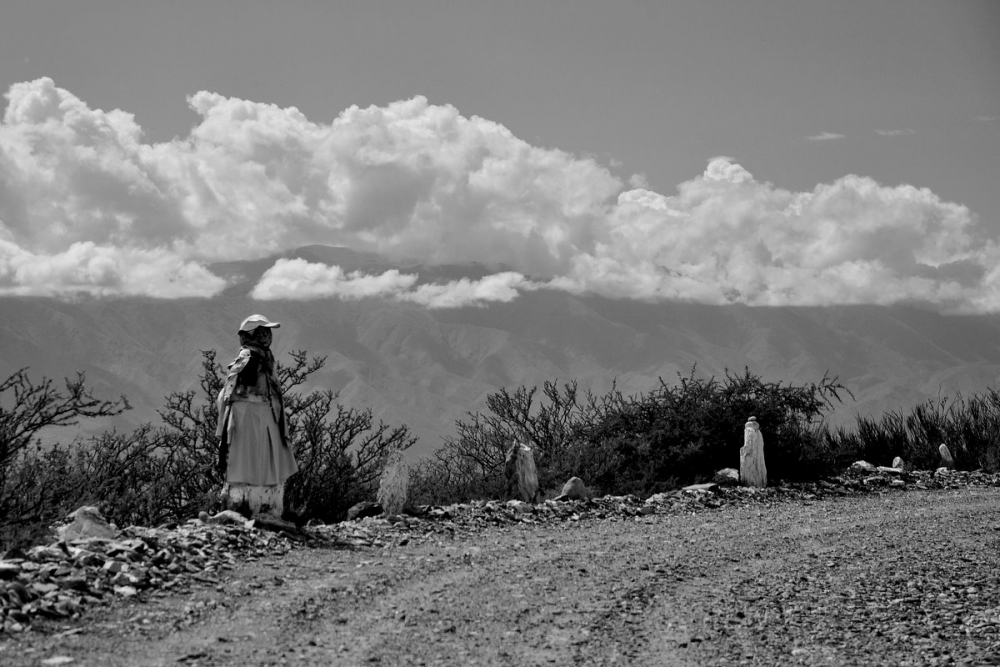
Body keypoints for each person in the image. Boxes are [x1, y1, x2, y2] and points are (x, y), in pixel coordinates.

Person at [216, 314, 298, 518]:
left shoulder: (261, 356)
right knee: (251, 460)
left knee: (256, 459)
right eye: (262, 332)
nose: (267, 337)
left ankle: (260, 506)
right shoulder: (250, 357)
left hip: (260, 414)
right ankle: (251, 508)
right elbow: (234, 388)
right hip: (250, 416)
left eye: (267, 332)